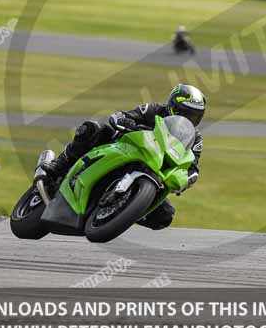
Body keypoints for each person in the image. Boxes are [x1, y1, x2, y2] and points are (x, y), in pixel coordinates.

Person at [43, 83, 206, 230]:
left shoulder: (194, 138)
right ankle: (58, 165)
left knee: (164, 217)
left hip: (155, 171)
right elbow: (120, 116)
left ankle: (122, 209)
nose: (189, 119)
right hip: (124, 148)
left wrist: (188, 179)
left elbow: (191, 167)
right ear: (173, 106)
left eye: (194, 116)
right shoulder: (154, 110)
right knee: (91, 129)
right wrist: (125, 122)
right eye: (185, 113)